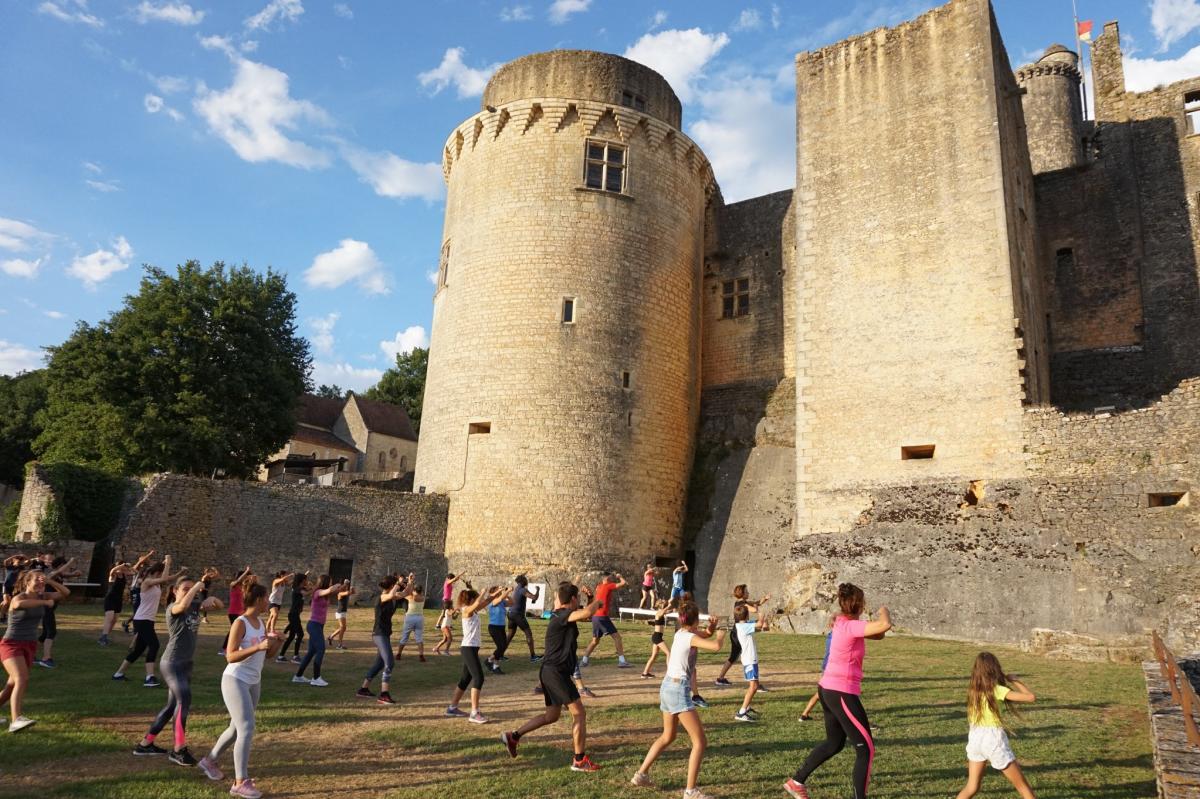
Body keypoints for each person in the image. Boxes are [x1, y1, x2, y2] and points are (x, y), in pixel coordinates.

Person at [784, 583, 892, 799]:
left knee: (834, 743)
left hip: (828, 689)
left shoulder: (843, 622)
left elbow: (878, 634)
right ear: (860, 604)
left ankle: (796, 782)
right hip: (840, 691)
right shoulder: (850, 626)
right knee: (866, 750)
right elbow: (885, 625)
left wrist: (875, 622)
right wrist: (883, 611)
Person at [501, 581, 602, 772]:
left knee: (551, 716)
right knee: (579, 713)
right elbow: (588, 613)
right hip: (556, 673)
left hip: (550, 671)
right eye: (577, 600)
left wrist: (589, 599)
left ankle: (513, 736)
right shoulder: (563, 615)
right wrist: (598, 601)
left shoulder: (560, 614)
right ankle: (579, 760)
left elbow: (584, 616)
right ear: (572, 600)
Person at [629, 601, 726, 797]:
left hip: (667, 686)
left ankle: (641, 774)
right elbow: (715, 646)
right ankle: (690, 792)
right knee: (700, 742)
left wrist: (712, 628)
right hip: (678, 689)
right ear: (696, 620)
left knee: (668, 736)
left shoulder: (681, 634)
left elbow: (704, 635)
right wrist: (721, 635)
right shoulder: (689, 637)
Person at [198, 583, 283, 798]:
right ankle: (240, 782)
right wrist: (257, 646)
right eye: (266, 598)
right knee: (247, 727)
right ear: (257, 599)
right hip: (235, 680)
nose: (268, 602)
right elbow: (230, 656)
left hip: (254, 681)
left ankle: (209, 761)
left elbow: (268, 655)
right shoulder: (240, 622)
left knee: (236, 728)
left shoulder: (261, 622)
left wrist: (277, 642)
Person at [133, 569, 224, 764]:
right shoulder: (174, 608)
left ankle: (145, 744)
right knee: (184, 701)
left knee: (171, 706)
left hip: (186, 664)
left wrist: (213, 598)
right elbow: (183, 604)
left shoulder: (194, 605)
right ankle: (178, 749)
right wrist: (199, 586)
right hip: (172, 663)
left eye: (191, 589)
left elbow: (220, 606)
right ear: (175, 591)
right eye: (185, 589)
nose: (190, 592)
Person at [954, 652, 1038, 799]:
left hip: (975, 738)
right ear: (995, 669)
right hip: (993, 740)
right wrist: (1015, 681)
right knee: (1023, 788)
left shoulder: (973, 691)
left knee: (972, 787)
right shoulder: (997, 690)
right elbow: (1030, 697)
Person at [1, 569, 69, 732]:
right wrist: (44, 603)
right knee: (21, 678)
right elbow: (17, 605)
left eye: (42, 582)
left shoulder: (44, 594)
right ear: (27, 582)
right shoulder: (20, 597)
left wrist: (50, 581)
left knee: (12, 684)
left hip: (29, 645)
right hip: (11, 644)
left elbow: (65, 592)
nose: (41, 584)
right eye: (37, 581)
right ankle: (16, 720)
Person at [113, 555, 184, 686]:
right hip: (142, 619)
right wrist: (168, 563)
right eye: (160, 572)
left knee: (138, 650)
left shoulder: (156, 583)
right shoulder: (146, 582)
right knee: (154, 645)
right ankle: (149, 677)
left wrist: (179, 572)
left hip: (147, 620)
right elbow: (164, 577)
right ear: (156, 572)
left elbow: (168, 578)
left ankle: (118, 674)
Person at [445, 585, 503, 724]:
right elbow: (478, 603)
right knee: (479, 678)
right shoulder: (466, 610)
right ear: (470, 599)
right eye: (475, 597)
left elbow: (487, 601)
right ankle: (474, 713)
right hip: (468, 648)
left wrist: (498, 593)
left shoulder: (474, 610)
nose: (477, 600)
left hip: (472, 649)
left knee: (465, 679)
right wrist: (481, 593)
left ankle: (452, 708)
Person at [358, 575, 406, 704]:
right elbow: (390, 595)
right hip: (379, 634)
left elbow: (406, 593)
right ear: (391, 586)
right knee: (389, 662)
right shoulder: (382, 597)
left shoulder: (392, 596)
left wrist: (410, 582)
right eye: (395, 584)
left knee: (379, 664)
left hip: (384, 634)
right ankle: (384, 694)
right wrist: (399, 583)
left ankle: (363, 689)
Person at [714, 585, 770, 687]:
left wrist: (764, 599)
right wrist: (758, 610)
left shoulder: (740, 602)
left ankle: (721, 678)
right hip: (738, 633)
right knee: (746, 655)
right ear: (742, 593)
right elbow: (754, 609)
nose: (748, 593)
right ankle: (754, 683)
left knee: (734, 657)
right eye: (747, 591)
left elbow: (757, 603)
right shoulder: (743, 603)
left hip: (738, 631)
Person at [293, 576, 341, 687]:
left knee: (311, 652)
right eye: (329, 581)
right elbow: (330, 590)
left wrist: (343, 587)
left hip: (319, 626)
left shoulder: (324, 593)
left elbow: (333, 591)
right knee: (321, 649)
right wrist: (336, 585)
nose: (331, 583)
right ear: (325, 582)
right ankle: (316, 678)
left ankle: (298, 676)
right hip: (313, 625)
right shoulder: (318, 592)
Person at [35, 556, 79, 668]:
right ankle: (46, 658)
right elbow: (59, 571)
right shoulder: (52, 573)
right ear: (60, 565)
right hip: (46, 606)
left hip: (50, 606)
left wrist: (75, 574)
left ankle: (31, 654)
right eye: (65, 566)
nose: (67, 569)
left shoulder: (59, 575)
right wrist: (70, 561)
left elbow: (64, 574)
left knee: (45, 633)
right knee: (51, 632)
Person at [580, 573, 630, 669]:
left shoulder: (598, 587)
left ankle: (584, 660)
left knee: (595, 641)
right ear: (607, 578)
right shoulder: (608, 586)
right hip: (602, 617)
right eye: (611, 577)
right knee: (617, 637)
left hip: (595, 616)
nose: (612, 579)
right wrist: (620, 577)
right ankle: (622, 661)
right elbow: (623, 583)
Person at [800, 617, 835, 722]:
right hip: (831, 668)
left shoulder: (830, 635)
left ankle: (804, 714)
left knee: (820, 693)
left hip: (826, 667)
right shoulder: (835, 637)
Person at [732, 605, 761, 723]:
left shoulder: (744, 624)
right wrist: (760, 612)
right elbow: (760, 624)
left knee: (755, 684)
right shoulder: (744, 626)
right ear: (747, 614)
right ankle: (742, 712)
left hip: (750, 659)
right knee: (753, 686)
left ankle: (746, 707)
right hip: (750, 660)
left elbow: (762, 626)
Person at [505, 575, 542, 662]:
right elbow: (534, 597)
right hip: (518, 615)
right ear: (522, 581)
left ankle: (499, 654)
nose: (527, 580)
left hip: (510, 613)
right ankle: (533, 657)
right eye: (525, 579)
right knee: (528, 633)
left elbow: (530, 598)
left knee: (509, 635)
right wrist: (538, 590)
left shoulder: (517, 588)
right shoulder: (523, 589)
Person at [121, 549, 157, 635]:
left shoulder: (147, 569)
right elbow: (140, 561)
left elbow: (157, 568)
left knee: (140, 610)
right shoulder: (137, 570)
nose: (148, 560)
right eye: (146, 560)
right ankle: (135, 628)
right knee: (137, 610)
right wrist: (150, 554)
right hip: (135, 590)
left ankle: (128, 623)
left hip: (142, 591)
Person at [277, 572, 309, 663]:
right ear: (302, 581)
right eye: (306, 579)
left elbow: (306, 590)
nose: (307, 581)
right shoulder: (296, 589)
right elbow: (306, 593)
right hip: (293, 615)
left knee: (291, 636)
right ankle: (295, 656)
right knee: (300, 634)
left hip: (295, 615)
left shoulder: (300, 588)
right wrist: (316, 588)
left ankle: (281, 656)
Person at [395, 575, 427, 662]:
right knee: (419, 638)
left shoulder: (411, 597)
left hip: (410, 617)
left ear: (414, 590)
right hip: (420, 618)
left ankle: (398, 654)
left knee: (404, 637)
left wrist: (408, 582)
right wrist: (410, 583)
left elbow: (404, 594)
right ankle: (421, 655)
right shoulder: (423, 597)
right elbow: (411, 592)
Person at [99, 561, 132, 646]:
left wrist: (128, 567)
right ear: (119, 566)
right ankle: (104, 637)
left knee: (114, 620)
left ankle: (104, 636)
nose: (124, 568)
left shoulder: (124, 575)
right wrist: (123, 565)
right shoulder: (113, 575)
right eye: (122, 567)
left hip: (118, 600)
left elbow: (134, 572)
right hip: (110, 599)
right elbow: (113, 570)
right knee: (109, 617)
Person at [485, 585, 514, 674]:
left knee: (503, 646)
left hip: (501, 627)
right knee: (501, 646)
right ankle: (493, 664)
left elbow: (512, 603)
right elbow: (500, 599)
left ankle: (491, 661)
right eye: (498, 590)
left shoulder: (502, 602)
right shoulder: (492, 602)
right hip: (494, 627)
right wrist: (507, 591)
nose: (500, 591)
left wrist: (508, 594)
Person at [641, 600, 671, 679]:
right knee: (668, 653)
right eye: (663, 603)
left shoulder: (661, 612)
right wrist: (669, 606)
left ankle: (645, 673)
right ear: (660, 605)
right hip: (657, 637)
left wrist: (675, 609)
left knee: (654, 656)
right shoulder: (659, 613)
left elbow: (668, 611)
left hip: (657, 636)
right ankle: (669, 673)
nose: (665, 604)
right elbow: (664, 611)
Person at [329, 580, 355, 651]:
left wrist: (352, 588)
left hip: (343, 612)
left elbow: (352, 592)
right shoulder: (340, 594)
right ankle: (339, 645)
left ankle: (331, 637)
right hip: (340, 612)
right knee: (343, 627)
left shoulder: (345, 592)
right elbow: (348, 592)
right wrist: (346, 584)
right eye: (344, 586)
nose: (346, 587)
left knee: (343, 628)